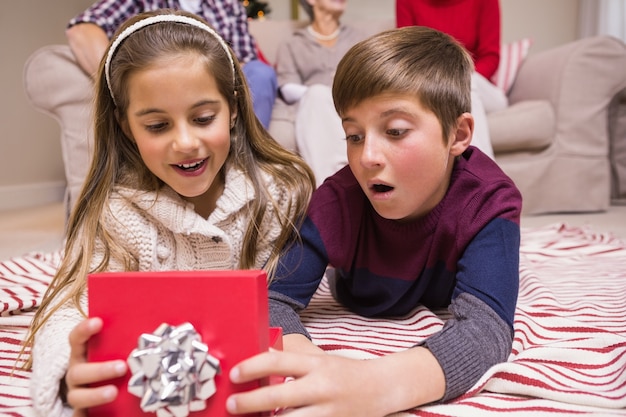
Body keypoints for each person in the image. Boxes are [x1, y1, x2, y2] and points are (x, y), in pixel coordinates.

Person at [22, 9, 314, 416]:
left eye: (203, 118)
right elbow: (68, 308)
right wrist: (67, 370)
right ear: (126, 127)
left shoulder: (280, 193)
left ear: (232, 109)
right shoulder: (116, 212)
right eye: (158, 126)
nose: (185, 142)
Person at [225, 26, 522, 416]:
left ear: (458, 134)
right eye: (353, 136)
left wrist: (377, 385)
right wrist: (306, 363)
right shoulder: (337, 202)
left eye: (395, 131)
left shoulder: (489, 200)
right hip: (358, 289)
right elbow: (273, 298)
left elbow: (486, 329)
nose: (367, 157)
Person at [66, 0, 277, 129]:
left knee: (261, 73)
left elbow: (246, 57)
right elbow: (82, 29)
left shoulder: (229, 4)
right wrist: (116, 87)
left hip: (219, 80)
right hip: (161, 82)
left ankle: (246, 162)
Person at [396, 0, 509, 160]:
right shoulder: (407, 2)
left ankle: (485, 169)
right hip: (432, 87)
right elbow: (407, 54)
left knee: (466, 79)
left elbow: (490, 56)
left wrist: (456, 78)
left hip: (479, 87)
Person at [275, 0, 366, 186]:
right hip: (312, 108)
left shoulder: (358, 39)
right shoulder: (293, 43)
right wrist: (321, 94)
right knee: (317, 94)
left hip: (351, 103)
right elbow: (287, 87)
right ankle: (328, 190)